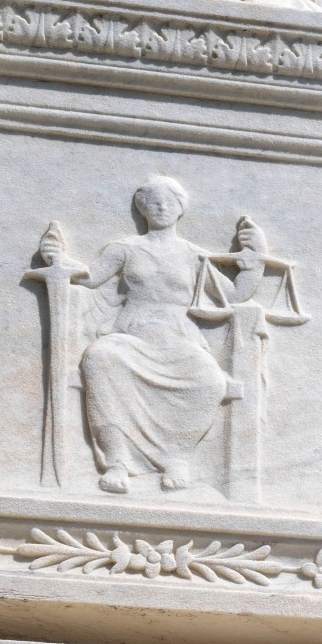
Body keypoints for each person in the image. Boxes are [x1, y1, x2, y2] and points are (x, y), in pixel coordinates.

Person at [70, 176, 242, 494]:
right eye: (153, 202)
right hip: (133, 335)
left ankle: (177, 456)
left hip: (180, 338)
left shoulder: (194, 255)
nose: (161, 207)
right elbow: (88, 279)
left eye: (169, 202)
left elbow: (232, 295)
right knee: (100, 356)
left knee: (210, 380)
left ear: (180, 209)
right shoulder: (125, 249)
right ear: (143, 209)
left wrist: (254, 262)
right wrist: (57, 260)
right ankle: (118, 462)